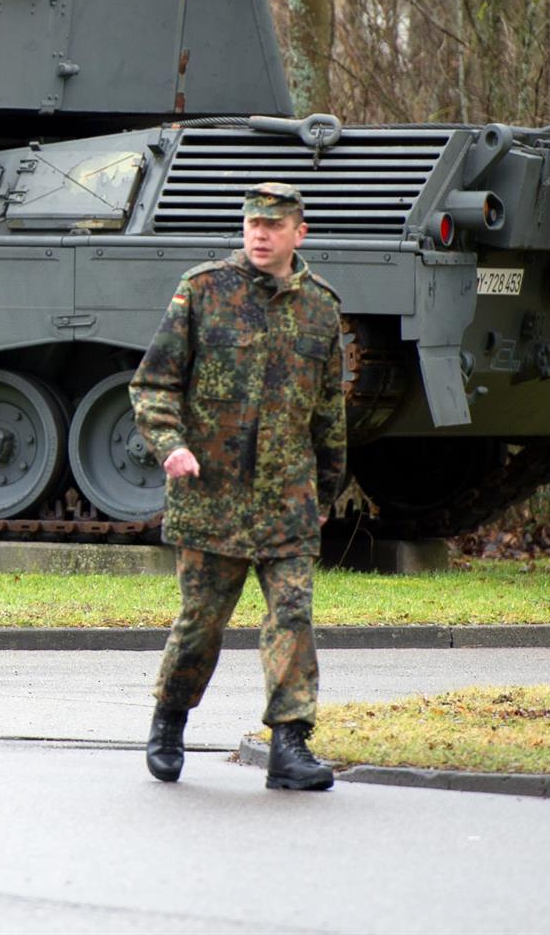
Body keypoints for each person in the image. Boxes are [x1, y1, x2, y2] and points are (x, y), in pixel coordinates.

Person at [128, 181, 346, 790]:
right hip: (211, 495)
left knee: (293, 616)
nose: (259, 233)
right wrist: (171, 448)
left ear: (298, 234)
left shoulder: (322, 307)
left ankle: (291, 745)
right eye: (253, 223)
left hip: (287, 498)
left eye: (273, 226)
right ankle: (169, 721)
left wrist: (326, 493)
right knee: (201, 621)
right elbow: (153, 385)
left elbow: (330, 410)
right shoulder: (202, 291)